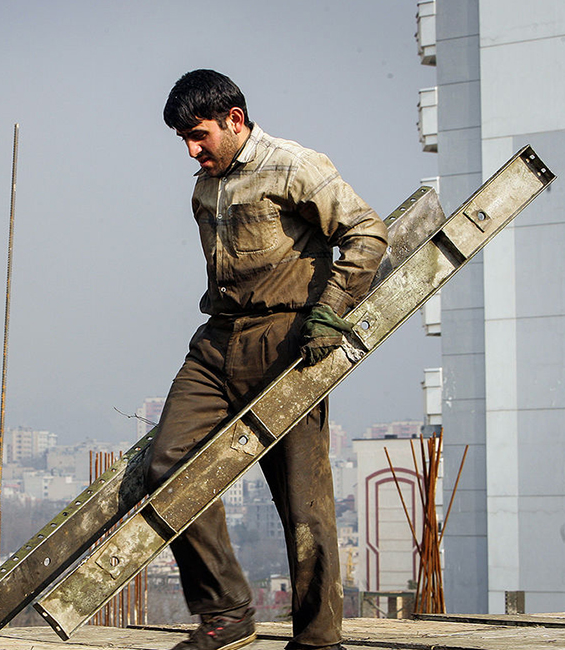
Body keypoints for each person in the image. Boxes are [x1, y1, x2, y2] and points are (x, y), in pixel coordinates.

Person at [147, 69, 388, 650]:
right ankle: (226, 613)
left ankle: (316, 638)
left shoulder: (293, 165)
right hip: (217, 342)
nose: (191, 149)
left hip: (285, 343)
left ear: (235, 119)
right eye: (182, 138)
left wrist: (330, 311)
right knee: (167, 464)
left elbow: (367, 233)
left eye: (199, 134)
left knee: (302, 501)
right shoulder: (205, 185)